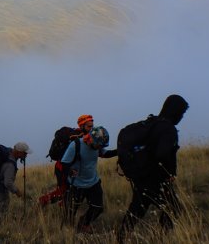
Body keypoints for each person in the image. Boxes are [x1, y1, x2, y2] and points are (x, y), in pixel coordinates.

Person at [117, 94, 189, 242]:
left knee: (137, 210)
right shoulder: (168, 129)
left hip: (141, 176)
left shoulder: (153, 123)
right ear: (176, 112)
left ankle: (120, 238)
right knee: (174, 209)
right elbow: (162, 154)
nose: (181, 117)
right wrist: (169, 172)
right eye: (181, 113)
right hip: (155, 179)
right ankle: (159, 239)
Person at [61, 125, 117, 233]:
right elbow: (64, 163)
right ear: (91, 138)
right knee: (70, 211)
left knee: (98, 207)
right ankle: (67, 231)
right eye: (98, 145)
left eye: (100, 146)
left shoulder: (97, 146)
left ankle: (83, 224)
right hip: (77, 184)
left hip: (93, 182)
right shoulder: (76, 145)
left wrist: (120, 150)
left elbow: (106, 154)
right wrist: (70, 171)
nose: (98, 148)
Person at [39, 116, 91, 206]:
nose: (91, 128)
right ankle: (42, 201)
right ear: (82, 126)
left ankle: (63, 206)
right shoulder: (77, 136)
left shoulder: (83, 136)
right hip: (63, 167)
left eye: (92, 126)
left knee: (69, 190)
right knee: (64, 190)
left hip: (67, 167)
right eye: (89, 126)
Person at [0, 141, 32, 229]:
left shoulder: (9, 154)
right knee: (2, 205)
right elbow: (8, 183)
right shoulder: (10, 164)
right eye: (25, 153)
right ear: (19, 152)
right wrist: (17, 192)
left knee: (1, 204)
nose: (26, 156)